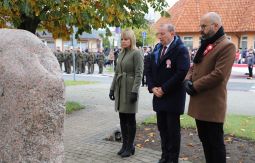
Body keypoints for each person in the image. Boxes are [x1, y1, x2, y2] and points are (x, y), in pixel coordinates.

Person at [184, 12, 236, 163]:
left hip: (212, 105)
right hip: (200, 102)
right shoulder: (207, 43)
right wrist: (187, 79)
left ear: (215, 25)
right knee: (205, 141)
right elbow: (194, 66)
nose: (201, 29)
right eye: (201, 26)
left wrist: (194, 86)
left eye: (204, 26)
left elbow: (219, 74)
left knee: (215, 144)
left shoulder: (227, 46)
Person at [146, 24, 190, 163]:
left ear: (172, 33)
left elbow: (182, 72)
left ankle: (172, 158)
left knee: (172, 130)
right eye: (159, 34)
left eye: (163, 34)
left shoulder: (181, 49)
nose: (160, 37)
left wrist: (164, 89)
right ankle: (164, 155)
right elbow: (150, 70)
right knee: (162, 128)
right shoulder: (157, 49)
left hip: (172, 96)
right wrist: (152, 87)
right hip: (158, 95)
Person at [109, 28, 144, 158]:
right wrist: (112, 89)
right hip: (120, 88)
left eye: (126, 39)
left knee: (130, 119)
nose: (123, 41)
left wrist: (135, 91)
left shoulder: (136, 53)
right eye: (122, 39)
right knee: (122, 118)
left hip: (129, 89)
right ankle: (125, 144)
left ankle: (130, 146)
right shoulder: (122, 53)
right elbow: (117, 73)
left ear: (131, 40)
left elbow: (139, 74)